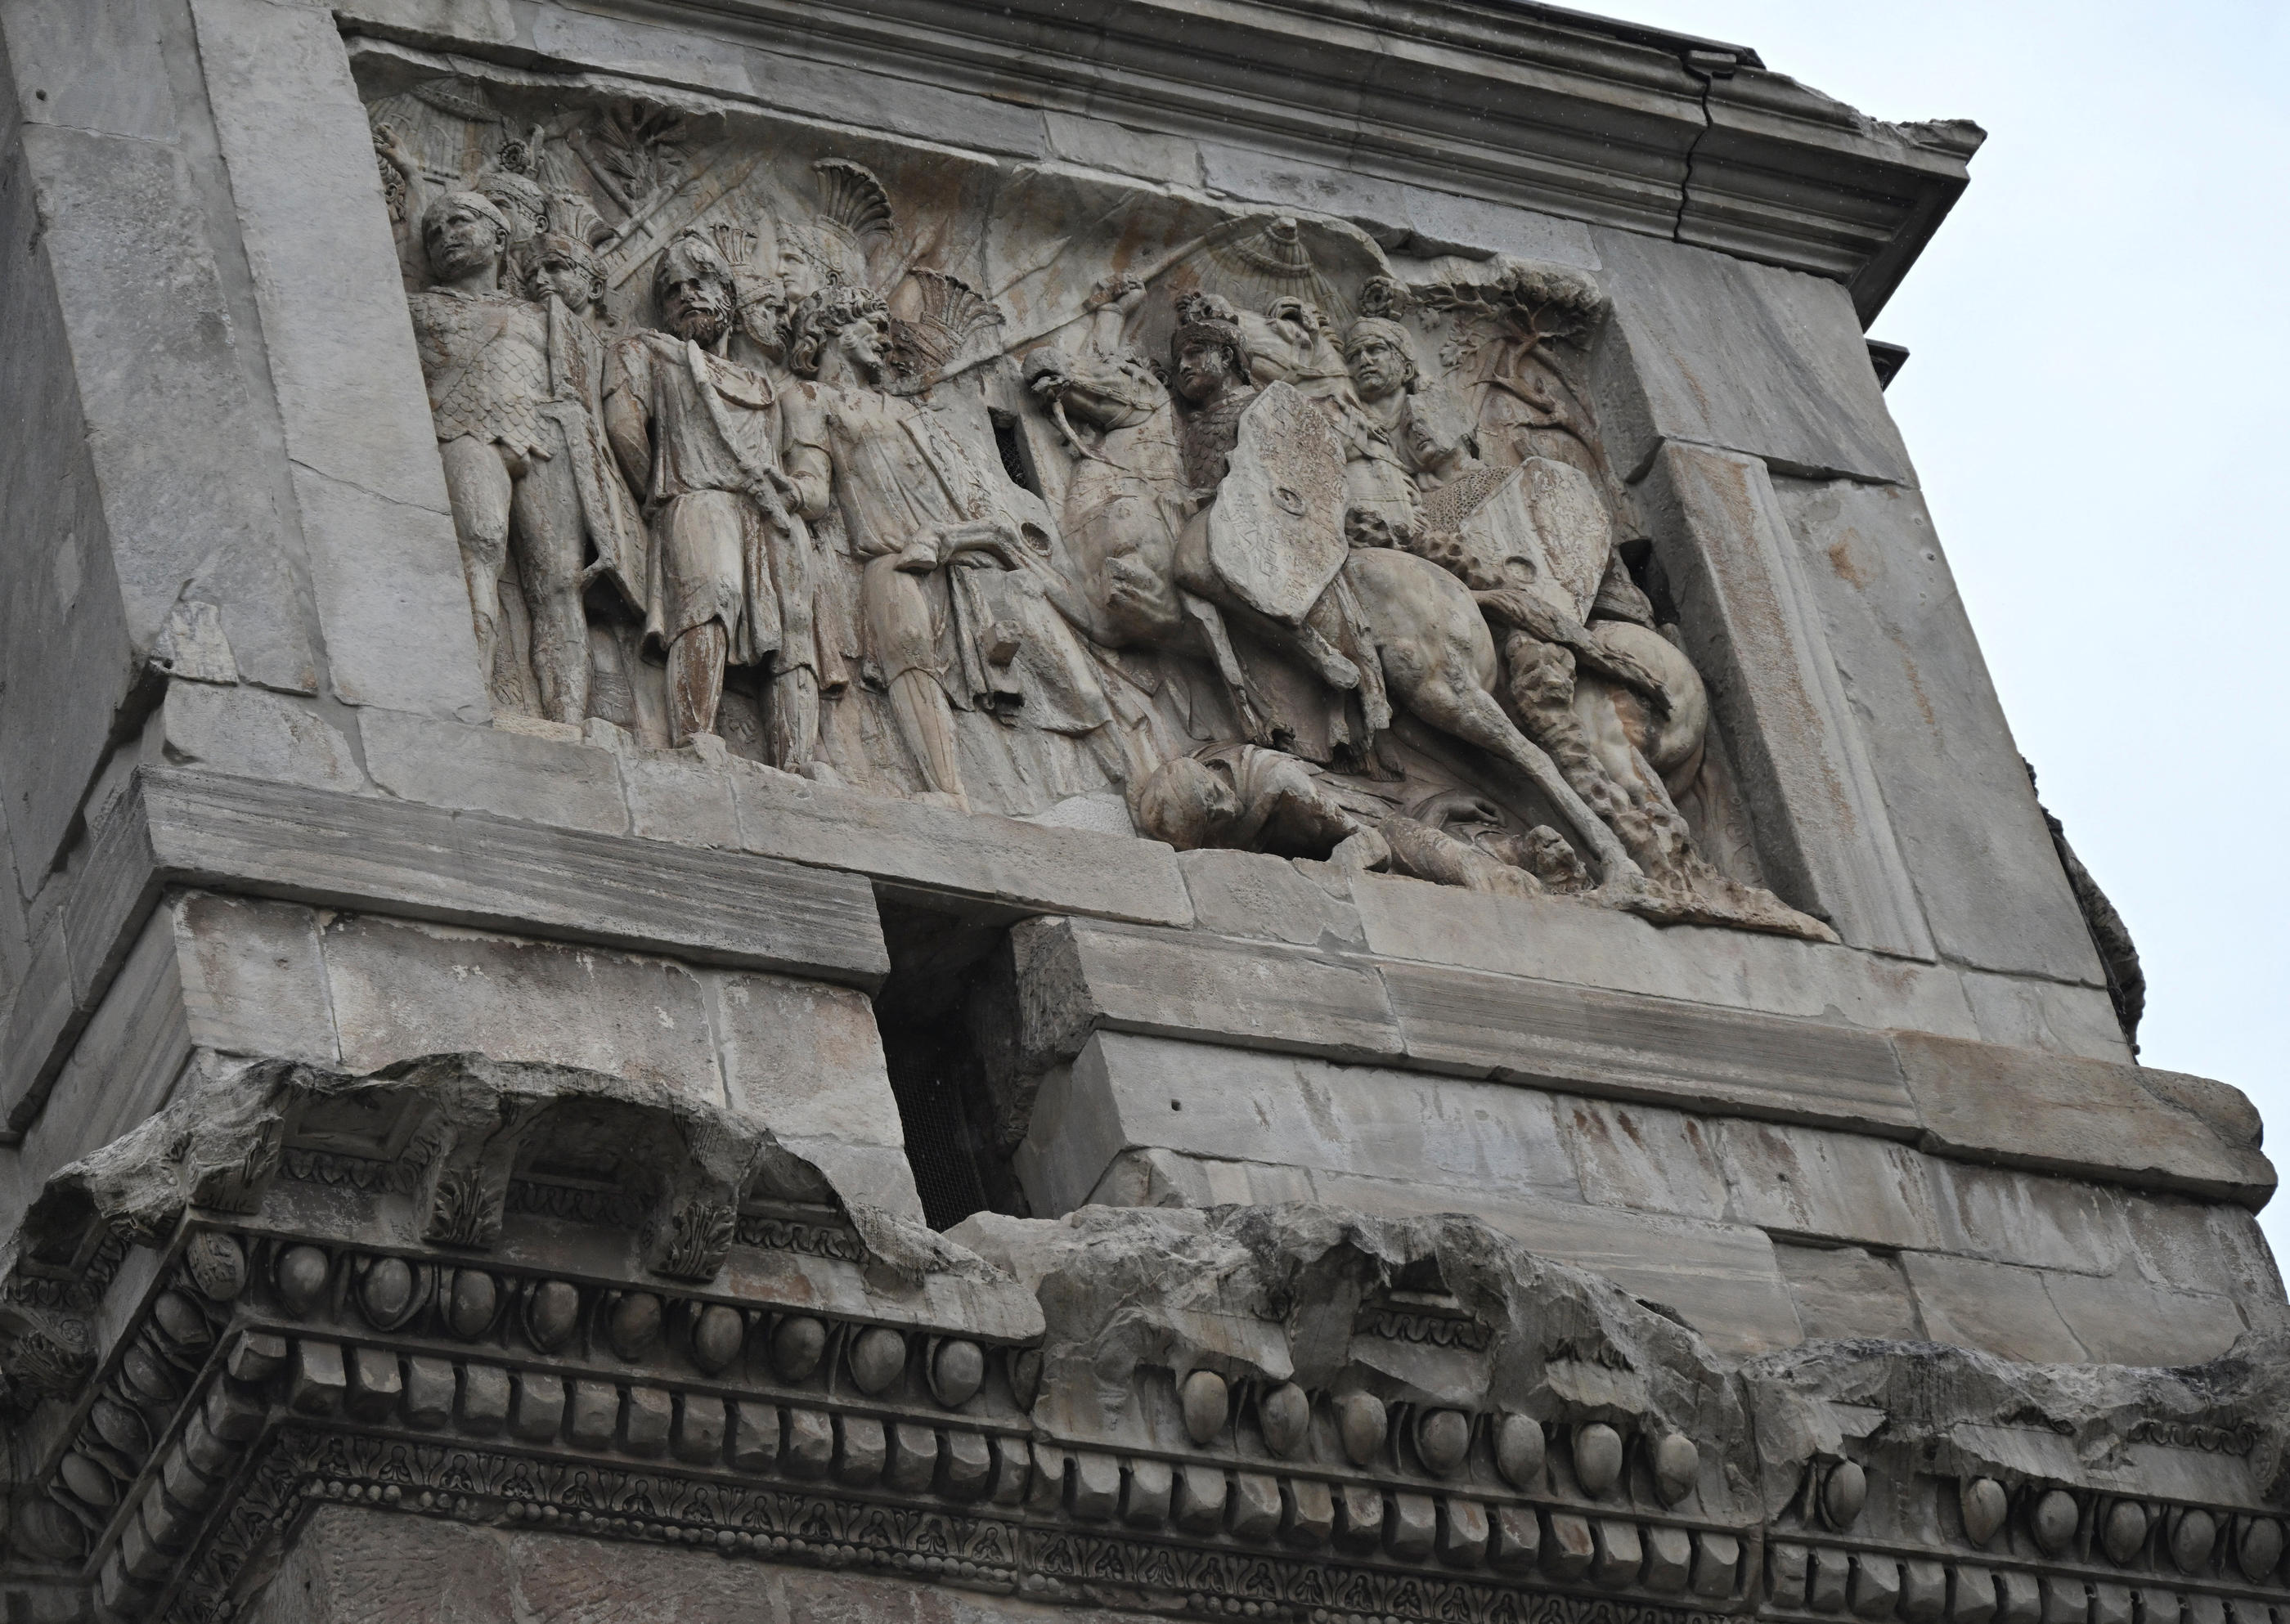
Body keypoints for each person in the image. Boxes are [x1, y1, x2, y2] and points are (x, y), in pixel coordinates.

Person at [777, 285, 1025, 807]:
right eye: (873, 325)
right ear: (831, 331)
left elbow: (980, 509)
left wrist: (949, 537)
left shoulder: (908, 411)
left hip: (959, 558)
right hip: (888, 556)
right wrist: (783, 490)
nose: (886, 341)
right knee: (902, 632)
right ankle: (946, 791)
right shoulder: (809, 398)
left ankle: (961, 791)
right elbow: (815, 488)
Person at [602, 231, 819, 762]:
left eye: (700, 283)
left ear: (728, 293)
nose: (687, 296)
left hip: (767, 513)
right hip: (695, 498)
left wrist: (790, 491)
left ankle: (799, 760)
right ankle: (694, 735)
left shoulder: (763, 386)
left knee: (795, 627)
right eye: (673, 290)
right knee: (712, 597)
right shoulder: (649, 352)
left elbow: (804, 474)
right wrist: (659, 495)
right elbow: (625, 427)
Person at [405, 190, 595, 722]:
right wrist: (413, 180)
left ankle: (568, 720)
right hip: (464, 427)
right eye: (435, 232)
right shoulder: (418, 309)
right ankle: (475, 697)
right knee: (481, 547)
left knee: (560, 580)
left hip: (546, 441)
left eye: (460, 222)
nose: (446, 237)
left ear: (499, 237)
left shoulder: (545, 319)